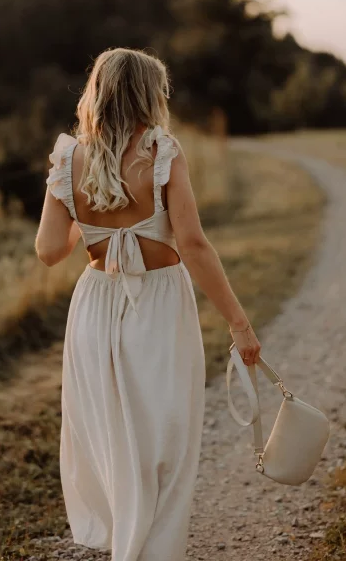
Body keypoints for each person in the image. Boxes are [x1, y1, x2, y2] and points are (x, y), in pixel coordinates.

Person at [35, 47, 261, 561]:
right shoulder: (162, 152)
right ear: (146, 94)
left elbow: (49, 251)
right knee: (165, 437)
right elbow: (195, 245)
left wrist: (85, 214)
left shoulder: (68, 158)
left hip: (94, 305)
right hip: (157, 305)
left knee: (113, 435)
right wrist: (239, 324)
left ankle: (128, 545)